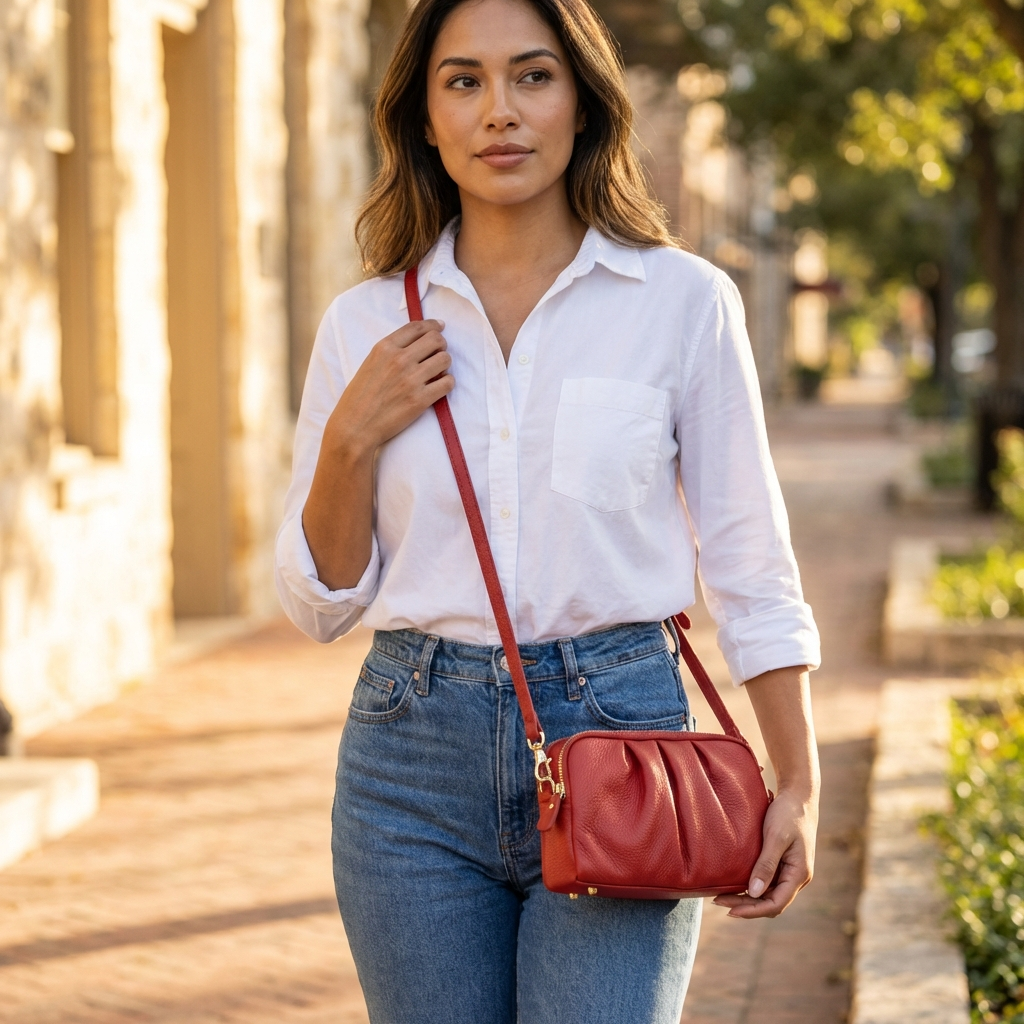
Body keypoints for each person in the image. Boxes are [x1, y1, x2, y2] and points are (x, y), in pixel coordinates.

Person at [275, 0, 822, 1018]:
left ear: (582, 102)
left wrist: (796, 777)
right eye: (463, 82)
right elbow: (319, 604)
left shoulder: (681, 302)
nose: (500, 113)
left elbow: (749, 559)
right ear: (423, 119)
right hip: (409, 763)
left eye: (531, 76)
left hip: (624, 739)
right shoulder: (366, 323)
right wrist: (351, 437)